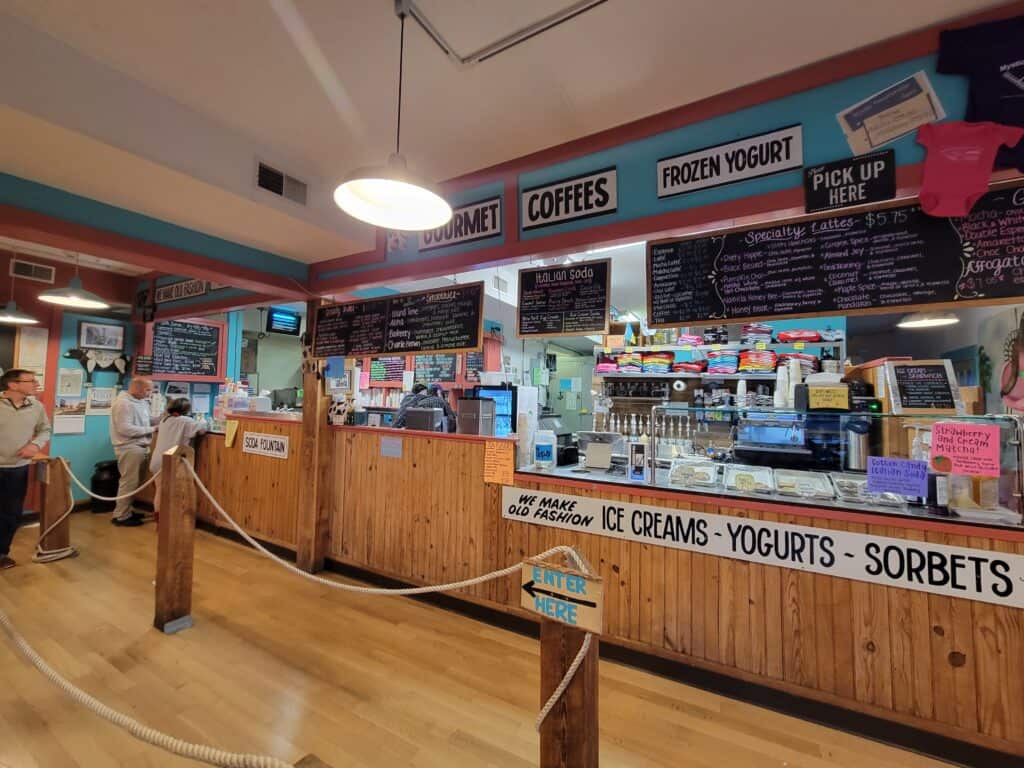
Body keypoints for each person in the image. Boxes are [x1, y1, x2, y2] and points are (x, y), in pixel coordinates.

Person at [0, 369, 51, 569]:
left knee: (11, 513)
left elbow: (45, 430)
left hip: (17, 470)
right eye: (30, 381)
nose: (36, 383)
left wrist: (35, 445)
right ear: (13, 385)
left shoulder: (37, 407)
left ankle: (2, 553)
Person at [109, 377, 159, 527]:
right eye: (147, 389)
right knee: (128, 482)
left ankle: (127, 510)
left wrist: (163, 418)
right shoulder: (123, 404)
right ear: (137, 388)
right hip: (129, 447)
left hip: (141, 447)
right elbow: (125, 429)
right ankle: (120, 516)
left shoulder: (141, 402)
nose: (150, 393)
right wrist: (152, 429)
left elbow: (147, 420)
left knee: (136, 482)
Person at [150, 398, 207, 522]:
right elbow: (202, 428)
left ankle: (160, 520)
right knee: (175, 493)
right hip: (172, 461)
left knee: (159, 491)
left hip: (156, 460)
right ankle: (173, 523)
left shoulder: (164, 420)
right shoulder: (185, 421)